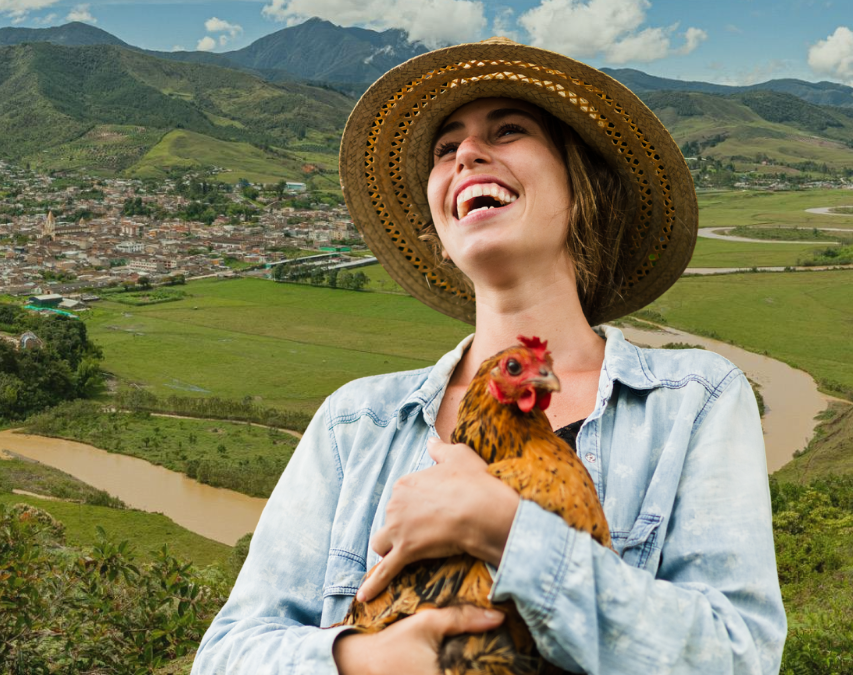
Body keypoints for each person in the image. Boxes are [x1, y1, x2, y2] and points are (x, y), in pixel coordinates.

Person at [192, 37, 785, 675]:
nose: (468, 153)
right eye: (447, 149)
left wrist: (509, 534)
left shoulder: (694, 399)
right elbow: (228, 656)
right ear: (440, 235)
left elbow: (739, 656)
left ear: (580, 190)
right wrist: (370, 660)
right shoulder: (354, 424)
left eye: (507, 131)